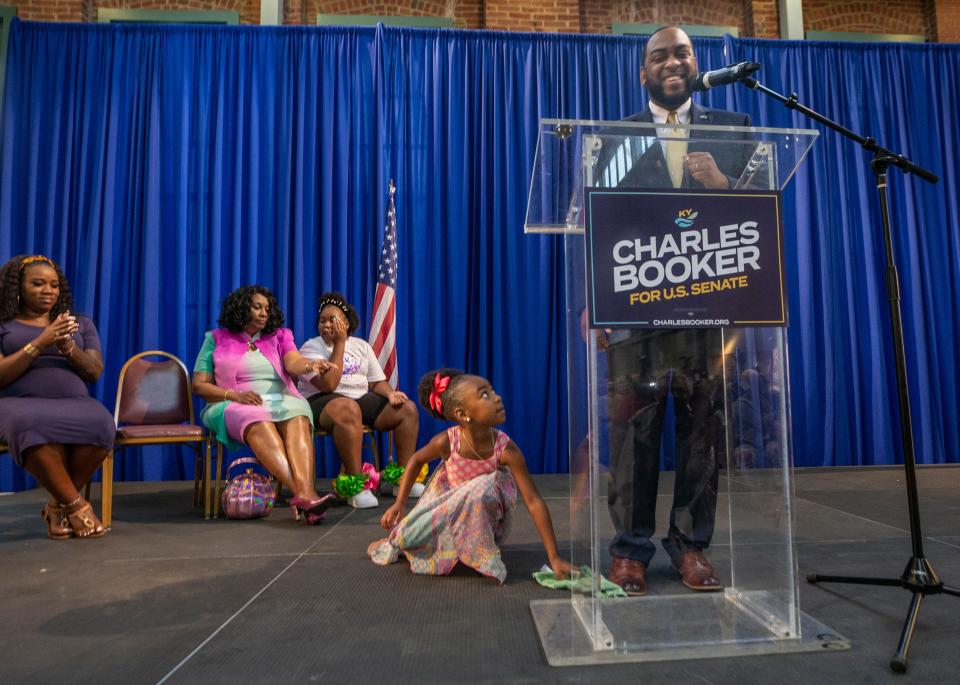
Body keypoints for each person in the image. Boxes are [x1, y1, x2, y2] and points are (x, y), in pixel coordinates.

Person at [603, 26, 753, 595]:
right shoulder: (614, 137)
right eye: (659, 55)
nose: (672, 62)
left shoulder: (735, 130)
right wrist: (600, 309)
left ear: (697, 64)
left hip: (709, 307)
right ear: (643, 73)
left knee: (702, 431)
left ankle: (691, 546)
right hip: (635, 308)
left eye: (682, 53)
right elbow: (596, 223)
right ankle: (631, 550)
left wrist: (726, 184)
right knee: (634, 432)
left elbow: (757, 216)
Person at [368, 369, 571, 583]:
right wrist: (400, 503)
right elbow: (416, 460)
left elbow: (534, 502)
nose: (497, 397)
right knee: (406, 534)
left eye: (492, 391)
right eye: (485, 395)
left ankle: (482, 555)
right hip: (451, 509)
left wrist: (554, 557)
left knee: (481, 487)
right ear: (463, 414)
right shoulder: (447, 441)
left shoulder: (506, 449)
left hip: (485, 518)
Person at [192, 285, 334, 524]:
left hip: (281, 399)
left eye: (267, 309)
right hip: (230, 402)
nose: (263, 313)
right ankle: (305, 494)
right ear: (241, 308)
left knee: (299, 414)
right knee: (258, 420)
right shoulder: (215, 338)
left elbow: (293, 362)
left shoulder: (280, 335)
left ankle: (304, 497)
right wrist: (234, 396)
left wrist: (311, 366)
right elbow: (199, 385)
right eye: (257, 307)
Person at [0, 255, 114, 539]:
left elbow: (94, 371)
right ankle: (76, 506)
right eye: (37, 284)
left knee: (102, 424)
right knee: (29, 424)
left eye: (53, 285)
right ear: (18, 287)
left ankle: (56, 507)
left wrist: (65, 345)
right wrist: (40, 342)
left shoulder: (80, 324)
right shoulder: (4, 325)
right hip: (18, 405)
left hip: (75, 403)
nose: (47, 290)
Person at [298, 292, 420, 509]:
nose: (326, 324)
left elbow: (376, 382)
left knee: (407, 410)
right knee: (348, 407)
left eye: (332, 320)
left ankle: (402, 480)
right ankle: (355, 486)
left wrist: (390, 393)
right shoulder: (311, 347)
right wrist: (339, 344)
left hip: (359, 398)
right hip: (322, 401)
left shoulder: (362, 346)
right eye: (322, 320)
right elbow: (329, 385)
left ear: (345, 323)